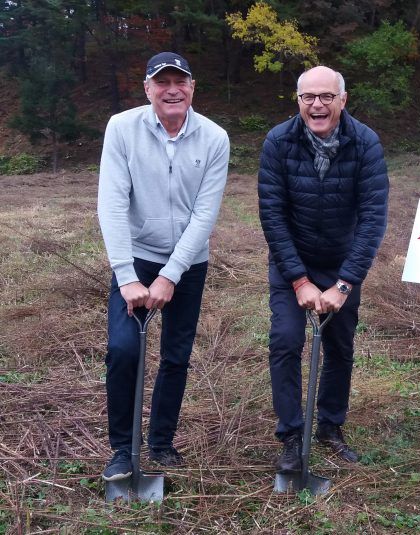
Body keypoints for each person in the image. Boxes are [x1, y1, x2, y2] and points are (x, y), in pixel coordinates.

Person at [97, 52, 229, 481]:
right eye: (162, 82)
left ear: (192, 87)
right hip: (135, 255)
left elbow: (205, 215)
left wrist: (172, 274)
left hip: (189, 262)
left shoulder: (214, 138)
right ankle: (122, 448)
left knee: (176, 355)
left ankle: (161, 441)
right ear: (148, 88)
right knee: (123, 350)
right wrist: (127, 275)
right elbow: (112, 203)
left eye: (181, 81)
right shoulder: (122, 128)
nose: (172, 89)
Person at [258, 66, 389, 473]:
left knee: (339, 348)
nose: (317, 105)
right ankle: (291, 436)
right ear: (297, 100)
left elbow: (372, 218)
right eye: (308, 97)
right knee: (285, 341)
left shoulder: (365, 142)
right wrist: (298, 279)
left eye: (326, 97)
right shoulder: (278, 141)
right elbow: (272, 215)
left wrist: (344, 284)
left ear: (343, 100)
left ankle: (330, 426)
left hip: (341, 262)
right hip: (290, 261)